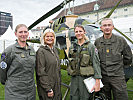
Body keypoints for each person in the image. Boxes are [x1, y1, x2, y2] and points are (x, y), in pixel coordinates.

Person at [94, 18, 132, 100]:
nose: (107, 27)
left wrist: (120, 67)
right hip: (103, 77)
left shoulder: (120, 40)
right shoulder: (97, 42)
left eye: (109, 25)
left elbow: (128, 57)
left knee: (121, 97)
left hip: (118, 77)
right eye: (104, 25)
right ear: (101, 28)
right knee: (104, 98)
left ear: (113, 27)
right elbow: (96, 58)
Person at [0, 24, 36, 100]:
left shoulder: (32, 50)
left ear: (28, 34)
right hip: (14, 93)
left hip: (30, 92)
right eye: (20, 32)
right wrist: (4, 81)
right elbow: (2, 68)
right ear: (16, 34)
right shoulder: (9, 50)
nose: (23, 34)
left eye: (25, 32)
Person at [67, 25, 102, 100]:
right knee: (74, 97)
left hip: (86, 78)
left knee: (85, 97)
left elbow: (96, 63)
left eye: (80, 31)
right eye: (76, 32)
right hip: (75, 79)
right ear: (74, 33)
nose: (78, 33)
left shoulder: (90, 46)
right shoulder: (72, 47)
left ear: (84, 32)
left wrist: (97, 81)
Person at [36, 28, 62, 100]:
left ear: (54, 38)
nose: (49, 38)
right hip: (47, 88)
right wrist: (48, 89)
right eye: (47, 36)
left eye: (51, 36)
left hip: (56, 86)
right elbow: (40, 72)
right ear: (43, 38)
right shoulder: (41, 51)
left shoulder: (55, 50)